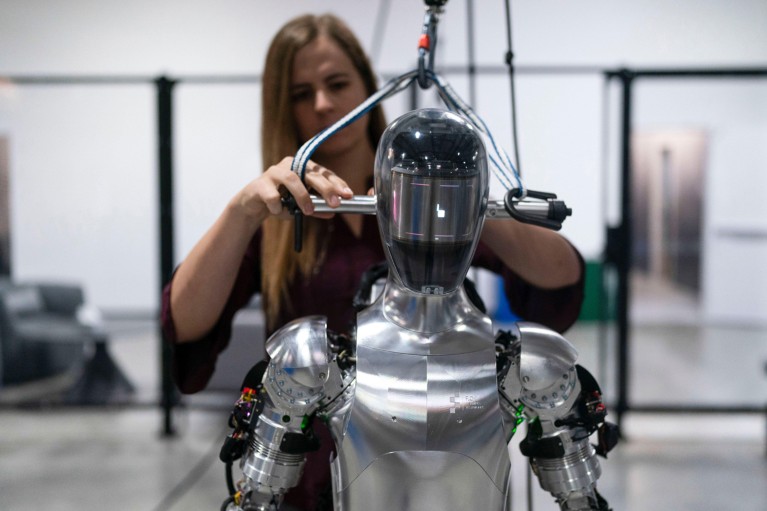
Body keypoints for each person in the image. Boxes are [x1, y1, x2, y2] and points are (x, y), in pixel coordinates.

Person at [161, 13, 585, 511]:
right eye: (301, 93)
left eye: (337, 83)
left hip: (445, 482)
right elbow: (184, 325)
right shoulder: (279, 222)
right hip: (310, 482)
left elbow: (560, 281)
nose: (323, 104)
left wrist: (459, 193)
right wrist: (243, 211)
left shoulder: (430, 208)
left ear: (367, 85)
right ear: (283, 108)